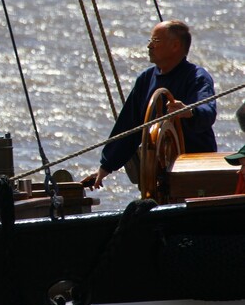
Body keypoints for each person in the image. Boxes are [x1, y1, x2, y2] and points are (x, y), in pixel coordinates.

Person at [90, 20, 217, 189]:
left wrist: (189, 111)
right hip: (159, 174)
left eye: (155, 41)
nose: (149, 46)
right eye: (150, 41)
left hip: (195, 169)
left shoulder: (197, 77)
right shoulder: (145, 79)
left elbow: (208, 112)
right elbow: (128, 127)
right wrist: (105, 167)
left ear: (175, 45)